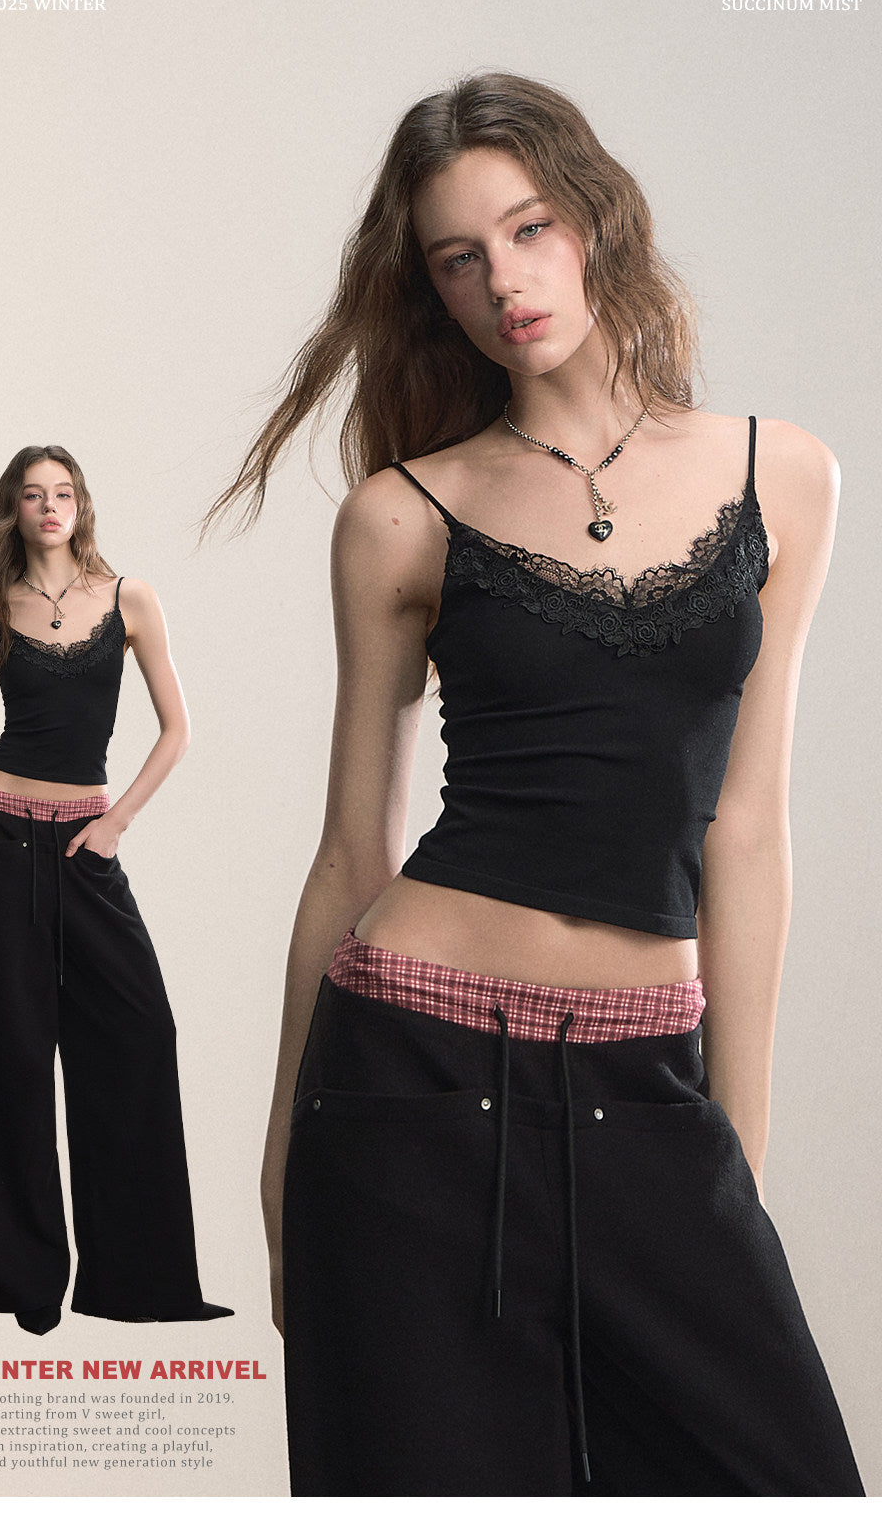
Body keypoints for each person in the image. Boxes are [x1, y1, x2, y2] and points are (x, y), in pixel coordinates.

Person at [210, 74, 864, 1495]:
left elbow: (747, 831)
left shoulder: (786, 478)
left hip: (647, 1084)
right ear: (430, 289)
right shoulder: (403, 514)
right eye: (459, 258)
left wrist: (735, 1158)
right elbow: (349, 857)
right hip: (412, 1081)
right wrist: (278, 1166)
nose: (504, 281)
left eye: (528, 228)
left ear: (596, 217)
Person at [0, 444, 232, 1336]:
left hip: (82, 849)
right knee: (10, 1061)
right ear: (13, 509)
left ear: (82, 505)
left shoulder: (129, 598)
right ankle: (25, 1282)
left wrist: (116, 824)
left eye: (62, 492)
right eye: (33, 494)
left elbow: (178, 730)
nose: (49, 506)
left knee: (140, 1034)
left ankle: (139, 1282)